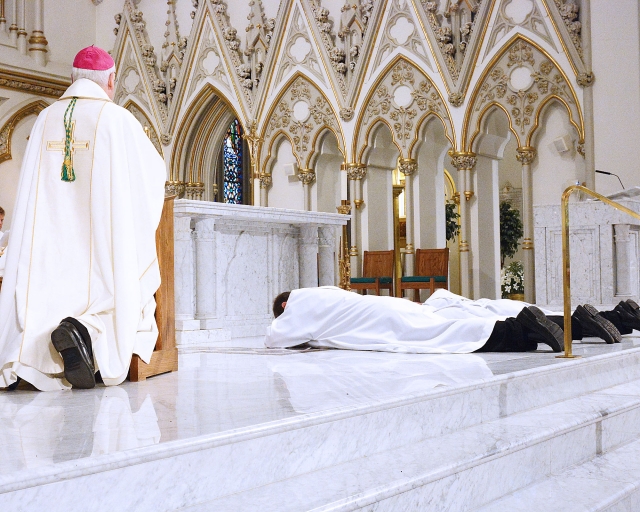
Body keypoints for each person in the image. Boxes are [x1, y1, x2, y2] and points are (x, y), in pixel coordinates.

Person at [0, 46, 166, 391]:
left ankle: (30, 351)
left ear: (72, 78)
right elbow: (153, 175)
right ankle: (84, 333)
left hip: (48, 242)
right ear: (110, 80)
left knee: (37, 289)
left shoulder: (46, 118)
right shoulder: (118, 119)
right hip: (100, 240)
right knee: (112, 288)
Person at [267, 287, 637, 354]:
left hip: (384, 322)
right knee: (444, 322)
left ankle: (520, 327)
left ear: (284, 306)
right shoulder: (324, 292)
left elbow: (275, 339)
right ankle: (611, 319)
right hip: (391, 306)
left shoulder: (296, 307)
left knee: (446, 335)